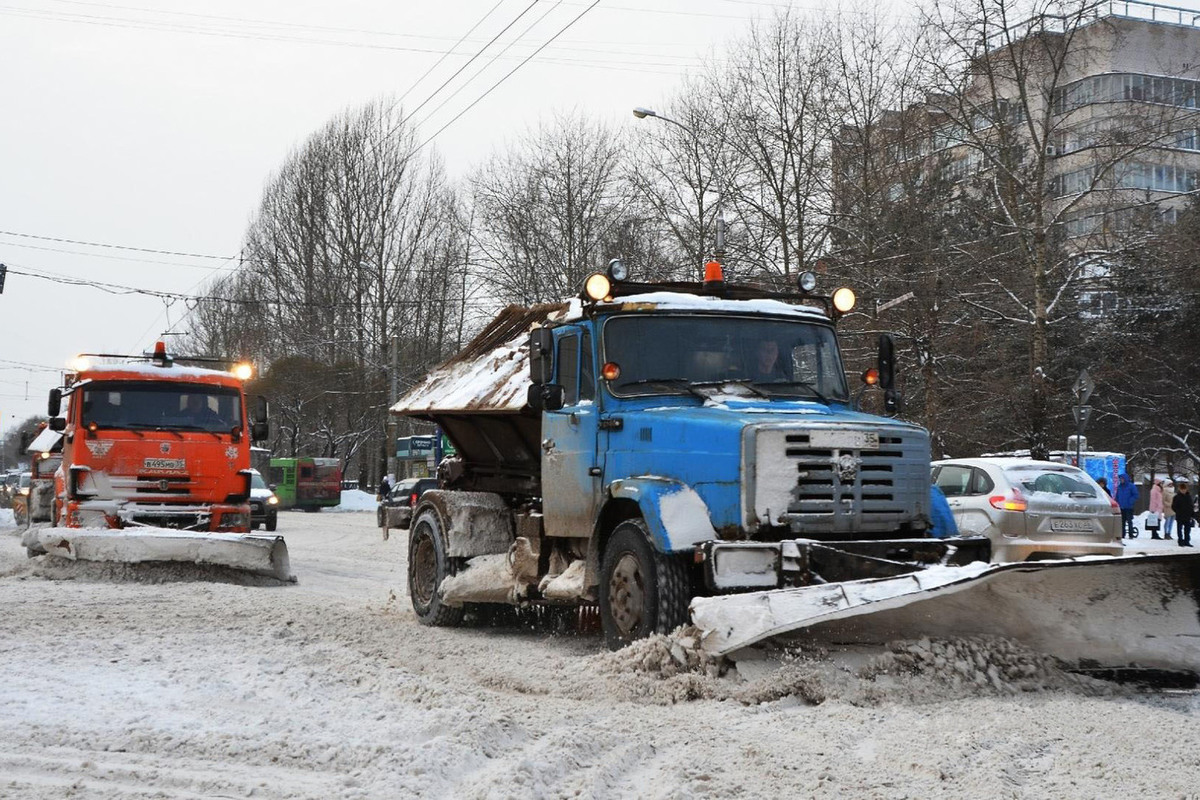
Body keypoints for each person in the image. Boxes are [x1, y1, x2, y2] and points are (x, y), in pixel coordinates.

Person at [1115, 473, 1139, 539]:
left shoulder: (1131, 486)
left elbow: (1136, 495)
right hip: (1121, 507)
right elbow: (1117, 496)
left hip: (1128, 507)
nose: (1121, 480)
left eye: (1122, 479)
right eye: (1120, 479)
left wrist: (1130, 501)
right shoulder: (1119, 487)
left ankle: (1131, 534)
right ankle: (1122, 534)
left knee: (1129, 521)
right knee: (1122, 522)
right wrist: (1117, 503)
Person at [1171, 482, 1194, 548]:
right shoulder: (1176, 497)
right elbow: (1173, 506)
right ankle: (1180, 541)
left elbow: (1190, 506)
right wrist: (1178, 511)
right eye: (1182, 489)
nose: (1183, 490)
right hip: (1180, 516)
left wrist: (1191, 513)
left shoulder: (1188, 496)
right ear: (1180, 489)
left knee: (1187, 529)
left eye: (1184, 489)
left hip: (1187, 516)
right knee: (1179, 529)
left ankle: (1187, 541)